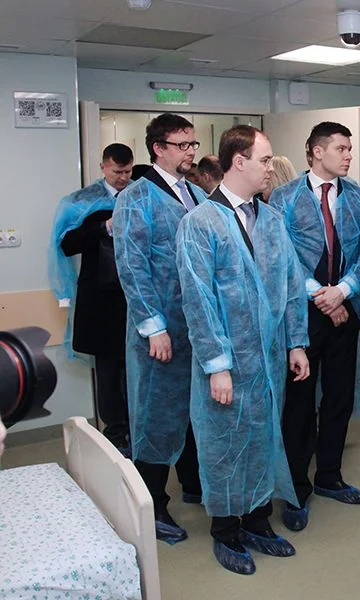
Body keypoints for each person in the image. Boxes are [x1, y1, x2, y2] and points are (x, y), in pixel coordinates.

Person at [176, 125, 310, 575]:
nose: (271, 168)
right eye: (265, 160)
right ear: (239, 161)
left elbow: (292, 285)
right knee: (225, 444)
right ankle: (226, 530)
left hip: (268, 359)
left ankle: (257, 520)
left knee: (263, 437)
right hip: (227, 361)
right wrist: (217, 366)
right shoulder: (200, 223)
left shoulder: (270, 220)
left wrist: (296, 342)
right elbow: (198, 300)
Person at [268, 122, 360, 531]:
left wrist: (343, 291)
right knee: (298, 403)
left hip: (346, 309)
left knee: (339, 397)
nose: (349, 155)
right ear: (316, 151)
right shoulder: (284, 198)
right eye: (341, 148)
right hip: (302, 315)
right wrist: (321, 296)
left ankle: (329, 475)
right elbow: (281, 257)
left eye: (350, 149)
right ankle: (296, 488)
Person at [112, 113, 205, 545]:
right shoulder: (136, 197)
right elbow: (132, 267)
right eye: (182, 145)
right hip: (161, 329)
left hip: (194, 326)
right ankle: (152, 506)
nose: (190, 151)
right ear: (158, 148)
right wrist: (153, 327)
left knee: (192, 411)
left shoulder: (195, 193)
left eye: (193, 144)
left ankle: (193, 483)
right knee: (157, 417)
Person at [49, 143, 133, 450]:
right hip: (101, 302)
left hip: (134, 300)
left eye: (127, 172)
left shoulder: (139, 197)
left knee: (137, 372)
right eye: (117, 172)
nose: (123, 178)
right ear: (103, 167)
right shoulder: (83, 203)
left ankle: (139, 430)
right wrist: (103, 227)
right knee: (108, 373)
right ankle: (116, 435)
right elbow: (66, 244)